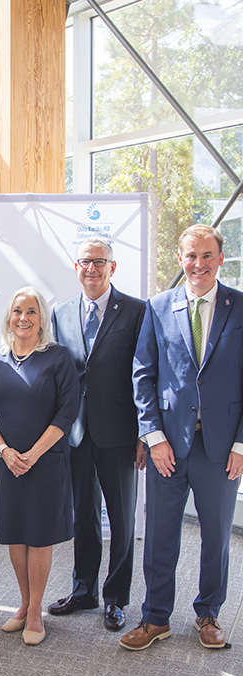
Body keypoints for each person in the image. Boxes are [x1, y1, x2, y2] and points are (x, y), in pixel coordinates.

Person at [120, 224, 243, 651]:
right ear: (179, 259)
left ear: (220, 259)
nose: (198, 264)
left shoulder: (240, 307)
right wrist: (153, 436)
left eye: (207, 256)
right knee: (160, 535)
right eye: (191, 256)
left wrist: (241, 445)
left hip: (221, 449)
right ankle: (155, 618)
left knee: (216, 536)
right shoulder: (157, 307)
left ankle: (208, 614)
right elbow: (143, 375)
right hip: (167, 447)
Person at [47, 238, 146, 632]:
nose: (92, 268)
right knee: (83, 517)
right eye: (86, 262)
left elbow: (145, 373)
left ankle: (116, 599)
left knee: (121, 519)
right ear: (76, 267)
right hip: (75, 432)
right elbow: (60, 372)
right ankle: (84, 589)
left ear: (112, 267)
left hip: (120, 431)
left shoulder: (137, 310)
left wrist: (145, 432)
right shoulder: (61, 312)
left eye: (99, 262)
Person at [0, 286, 78, 645]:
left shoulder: (58, 357)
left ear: (42, 319)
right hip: (7, 461)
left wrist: (32, 455)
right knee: (17, 533)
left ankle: (36, 611)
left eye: (31, 311)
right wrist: (4, 450)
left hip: (44, 461)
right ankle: (22, 604)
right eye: (18, 311)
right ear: (8, 317)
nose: (24, 318)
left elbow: (68, 412)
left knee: (38, 536)